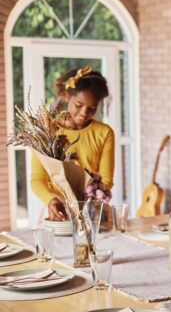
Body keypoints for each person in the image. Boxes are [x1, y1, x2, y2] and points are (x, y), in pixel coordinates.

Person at [30, 66, 114, 221]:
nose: (84, 113)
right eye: (79, 104)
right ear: (66, 96)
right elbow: (37, 179)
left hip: (93, 210)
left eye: (92, 108)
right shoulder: (47, 132)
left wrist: (87, 200)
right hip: (59, 211)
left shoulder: (104, 133)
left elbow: (106, 179)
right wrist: (51, 200)